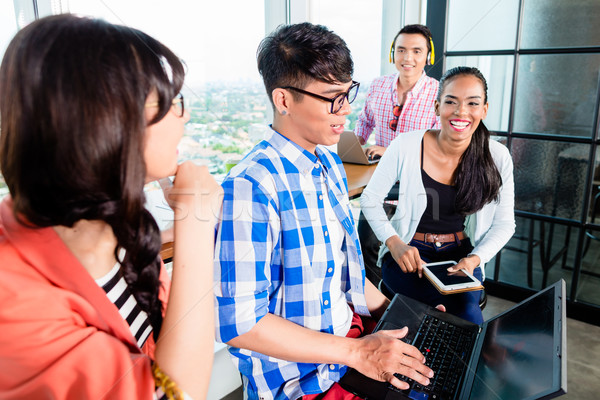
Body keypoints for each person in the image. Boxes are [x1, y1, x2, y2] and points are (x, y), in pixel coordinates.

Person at [0, 14, 222, 399]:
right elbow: (176, 393)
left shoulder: (121, 230)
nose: (183, 117)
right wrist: (195, 221)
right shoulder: (13, 299)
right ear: (108, 121)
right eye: (169, 102)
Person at [214, 22, 438, 400]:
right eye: (332, 97)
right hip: (302, 381)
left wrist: (403, 313)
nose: (346, 109)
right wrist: (357, 352)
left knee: (445, 374)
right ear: (284, 101)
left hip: (347, 344)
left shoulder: (329, 165)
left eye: (347, 92)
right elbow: (240, 323)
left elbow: (345, 270)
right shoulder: (251, 187)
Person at [361, 66, 515, 325]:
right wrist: (395, 244)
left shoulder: (497, 156)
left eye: (472, 103)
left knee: (468, 313)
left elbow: (504, 224)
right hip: (409, 252)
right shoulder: (406, 145)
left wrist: (475, 259)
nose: (461, 112)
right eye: (451, 102)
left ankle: (456, 365)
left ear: (484, 109)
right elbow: (370, 199)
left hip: (460, 255)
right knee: (433, 308)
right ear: (436, 107)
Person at [354, 24, 440, 283]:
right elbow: (365, 122)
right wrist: (353, 146)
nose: (408, 58)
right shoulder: (379, 86)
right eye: (401, 50)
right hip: (379, 186)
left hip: (419, 190)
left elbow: (437, 144)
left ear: (428, 56)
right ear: (393, 53)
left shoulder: (438, 92)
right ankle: (377, 311)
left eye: (416, 51)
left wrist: (390, 150)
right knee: (366, 247)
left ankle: (404, 306)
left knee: (410, 258)